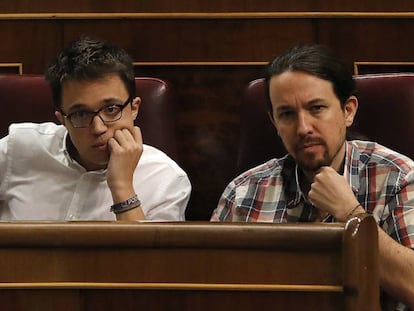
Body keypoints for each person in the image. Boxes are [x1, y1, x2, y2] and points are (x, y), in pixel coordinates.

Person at [211, 44, 414, 310]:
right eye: (287, 114)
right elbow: (211, 291)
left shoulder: (398, 177)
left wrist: (351, 214)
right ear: (274, 122)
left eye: (317, 108)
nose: (303, 128)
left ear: (348, 110)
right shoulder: (243, 193)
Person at [0, 36, 191, 221]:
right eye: (81, 113)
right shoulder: (17, 149)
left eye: (111, 109)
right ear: (62, 120)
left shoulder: (166, 180)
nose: (98, 128)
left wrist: (122, 187)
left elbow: (148, 256)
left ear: (134, 108)